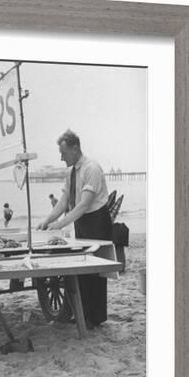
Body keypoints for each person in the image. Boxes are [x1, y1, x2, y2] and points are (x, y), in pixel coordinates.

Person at [36, 129, 110, 328]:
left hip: (97, 221)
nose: (61, 157)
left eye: (64, 152)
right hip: (82, 221)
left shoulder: (91, 168)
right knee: (81, 267)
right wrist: (47, 221)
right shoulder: (70, 172)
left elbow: (84, 204)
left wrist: (60, 224)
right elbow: (63, 203)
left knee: (95, 271)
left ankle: (95, 317)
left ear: (75, 148)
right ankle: (82, 313)